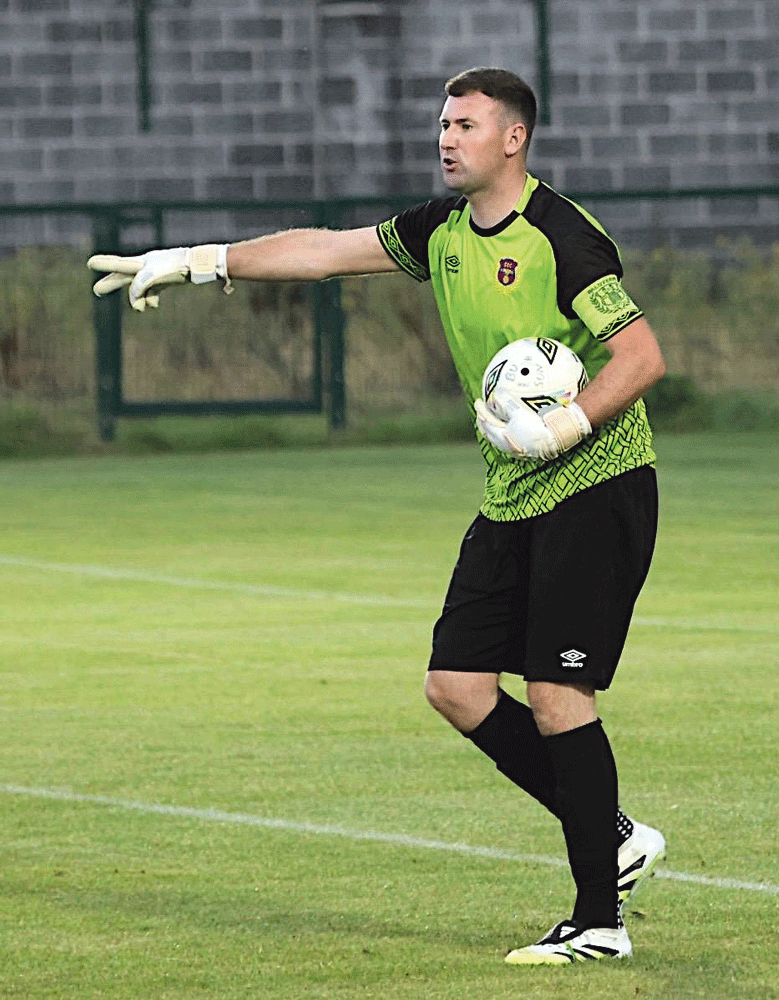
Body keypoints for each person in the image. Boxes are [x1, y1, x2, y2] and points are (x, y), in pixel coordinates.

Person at [88, 67, 667, 965]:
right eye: (443, 124)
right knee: (458, 686)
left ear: (513, 138)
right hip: (512, 491)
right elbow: (322, 250)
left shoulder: (562, 235)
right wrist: (203, 260)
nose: (446, 138)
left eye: (465, 125)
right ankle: (613, 835)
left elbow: (640, 356)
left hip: (597, 483)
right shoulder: (440, 231)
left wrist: (565, 424)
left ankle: (599, 921)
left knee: (558, 695)